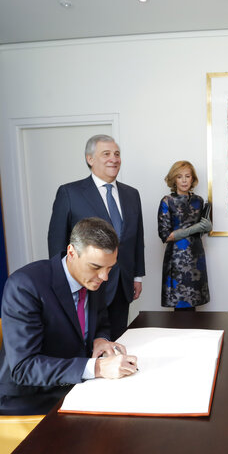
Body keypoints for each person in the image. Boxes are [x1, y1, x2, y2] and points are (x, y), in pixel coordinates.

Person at [0, 218, 139, 415]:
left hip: (71, 385)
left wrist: (100, 339)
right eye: (96, 267)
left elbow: (100, 319)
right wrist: (98, 367)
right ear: (71, 253)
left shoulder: (93, 279)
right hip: (28, 400)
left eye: (110, 268)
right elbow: (24, 368)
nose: (104, 277)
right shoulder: (25, 286)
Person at [47, 134, 145, 341]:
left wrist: (137, 276)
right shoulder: (69, 193)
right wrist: (62, 283)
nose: (114, 159)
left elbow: (136, 239)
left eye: (117, 154)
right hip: (85, 284)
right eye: (106, 154)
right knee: (87, 340)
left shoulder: (132, 194)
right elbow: (57, 241)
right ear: (90, 159)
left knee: (118, 339)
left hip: (122, 283)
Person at [157, 160, 211, 310]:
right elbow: (165, 235)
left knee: (194, 306)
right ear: (174, 179)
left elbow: (200, 231)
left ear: (192, 178)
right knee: (180, 306)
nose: (184, 180)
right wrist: (194, 228)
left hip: (196, 258)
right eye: (180, 176)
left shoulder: (198, 201)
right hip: (177, 260)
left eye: (188, 176)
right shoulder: (167, 201)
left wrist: (205, 228)